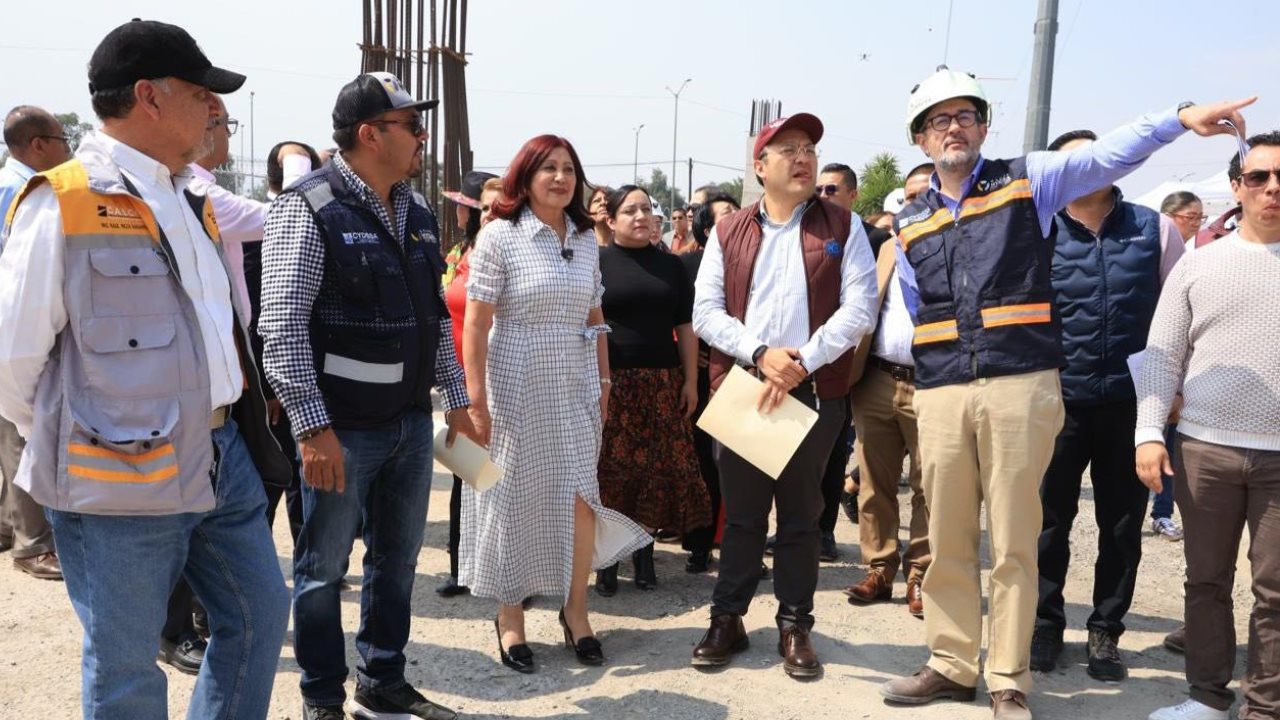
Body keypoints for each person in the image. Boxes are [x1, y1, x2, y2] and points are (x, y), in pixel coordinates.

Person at [878, 65, 1255, 720]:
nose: (953, 127)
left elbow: (1108, 154)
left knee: (1019, 538)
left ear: (984, 126)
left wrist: (1177, 118)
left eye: (964, 115)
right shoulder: (909, 220)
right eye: (938, 120)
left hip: (1020, 386)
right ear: (919, 139)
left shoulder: (1030, 179)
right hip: (941, 392)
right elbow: (916, 309)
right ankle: (949, 660)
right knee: (947, 532)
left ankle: (1007, 677)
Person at [0, 19, 292, 719]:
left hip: (223, 455)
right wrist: (80, 441)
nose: (215, 112)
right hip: (118, 474)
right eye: (202, 95)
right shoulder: (62, 201)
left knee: (256, 617)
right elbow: (12, 360)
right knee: (127, 666)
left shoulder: (189, 196)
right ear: (149, 98)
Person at [260, 71, 472, 720]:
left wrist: (455, 398)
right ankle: (321, 697)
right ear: (369, 134)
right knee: (323, 569)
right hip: (342, 432)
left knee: (397, 562)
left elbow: (432, 314)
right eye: (412, 125)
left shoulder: (413, 209)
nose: (423, 135)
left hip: (409, 425)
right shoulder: (309, 205)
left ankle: (382, 681)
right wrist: (311, 427)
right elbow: (282, 323)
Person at [690, 113, 878, 678]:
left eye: (810, 149)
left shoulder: (844, 226)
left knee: (802, 518)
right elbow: (705, 312)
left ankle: (796, 624)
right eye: (789, 148)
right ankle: (728, 619)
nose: (803, 158)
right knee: (743, 518)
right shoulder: (729, 231)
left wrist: (803, 361)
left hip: (815, 392)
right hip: (747, 388)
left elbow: (860, 307)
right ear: (760, 165)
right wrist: (760, 354)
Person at [460, 135, 651, 674]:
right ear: (526, 175)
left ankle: (577, 612)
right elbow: (476, 323)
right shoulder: (499, 235)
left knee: (580, 499)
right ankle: (510, 616)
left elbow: (596, 317)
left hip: (575, 382)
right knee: (508, 494)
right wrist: (476, 400)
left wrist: (606, 383)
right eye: (548, 168)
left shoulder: (588, 239)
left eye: (569, 168)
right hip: (514, 379)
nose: (561, 178)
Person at [1029, 129, 1187, 683]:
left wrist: (1173, 390)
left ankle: (1105, 631)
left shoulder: (1154, 228)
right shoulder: (1036, 227)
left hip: (1130, 403)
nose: (1093, 169)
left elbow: (1177, 314)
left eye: (1102, 158)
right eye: (1079, 162)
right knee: (1047, 522)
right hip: (1057, 401)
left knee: (1122, 525)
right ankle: (1044, 623)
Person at [1137, 130, 1280, 720]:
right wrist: (1149, 432)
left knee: (1275, 594)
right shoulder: (1198, 264)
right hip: (1206, 448)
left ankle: (1265, 705)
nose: (1273, 189)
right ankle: (1206, 697)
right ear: (1236, 188)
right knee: (1206, 582)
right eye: (1259, 178)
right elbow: (1161, 355)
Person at [594, 185, 710, 595]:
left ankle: (643, 555)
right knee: (611, 474)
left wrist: (691, 381)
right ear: (610, 220)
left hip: (662, 382)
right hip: (611, 384)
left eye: (646, 209)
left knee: (654, 474)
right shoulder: (597, 262)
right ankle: (607, 562)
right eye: (630, 210)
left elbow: (686, 327)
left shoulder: (672, 267)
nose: (641, 216)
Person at [841, 192, 932, 620]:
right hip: (877, 379)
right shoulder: (884, 252)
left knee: (929, 486)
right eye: (906, 199)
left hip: (932, 385)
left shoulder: (953, 251)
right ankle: (879, 568)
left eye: (921, 197)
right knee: (875, 483)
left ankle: (921, 576)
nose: (912, 207)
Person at [0, 104, 71, 581]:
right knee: (19, 433)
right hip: (14, 322)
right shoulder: (22, 192)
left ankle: (9, 527)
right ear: (39, 145)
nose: (70, 149)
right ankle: (32, 543)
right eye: (64, 140)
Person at [437, 170, 499, 598]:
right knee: (466, 474)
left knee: (502, 477)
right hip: (461, 378)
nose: (457, 209)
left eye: (463, 203)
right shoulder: (459, 252)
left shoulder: (502, 254)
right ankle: (462, 567)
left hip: (502, 377)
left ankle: (511, 571)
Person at [680, 192, 740, 573]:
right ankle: (699, 546)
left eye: (738, 211)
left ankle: (739, 548)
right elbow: (678, 318)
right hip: (705, 378)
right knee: (706, 465)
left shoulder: (756, 260)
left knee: (746, 467)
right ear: (706, 227)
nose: (736, 218)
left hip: (749, 372)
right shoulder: (686, 265)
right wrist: (693, 353)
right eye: (726, 214)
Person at [816, 162, 892, 255]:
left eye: (831, 189)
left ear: (852, 195)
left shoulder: (878, 239)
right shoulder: (806, 234)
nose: (823, 195)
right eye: (818, 190)